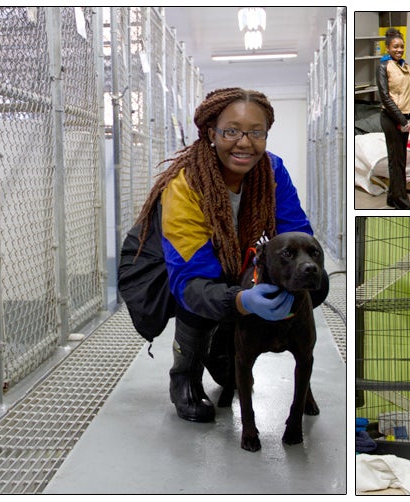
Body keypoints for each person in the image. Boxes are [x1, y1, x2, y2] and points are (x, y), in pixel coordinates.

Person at [129, 87, 329, 423]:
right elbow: (192, 278)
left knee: (315, 283)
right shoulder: (185, 184)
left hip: (237, 256)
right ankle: (185, 377)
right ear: (212, 133)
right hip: (170, 266)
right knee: (196, 298)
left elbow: (297, 232)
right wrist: (243, 301)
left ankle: (224, 346)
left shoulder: (273, 171)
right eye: (231, 131)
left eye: (256, 132)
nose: (244, 142)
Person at [376, 28, 410, 209]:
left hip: (405, 118)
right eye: (395, 47)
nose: (399, 50)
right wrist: (402, 120)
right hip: (392, 119)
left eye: (401, 46)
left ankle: (392, 197)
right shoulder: (383, 66)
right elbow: (385, 96)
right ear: (387, 48)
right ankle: (402, 201)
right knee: (397, 161)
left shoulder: (405, 65)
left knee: (399, 159)